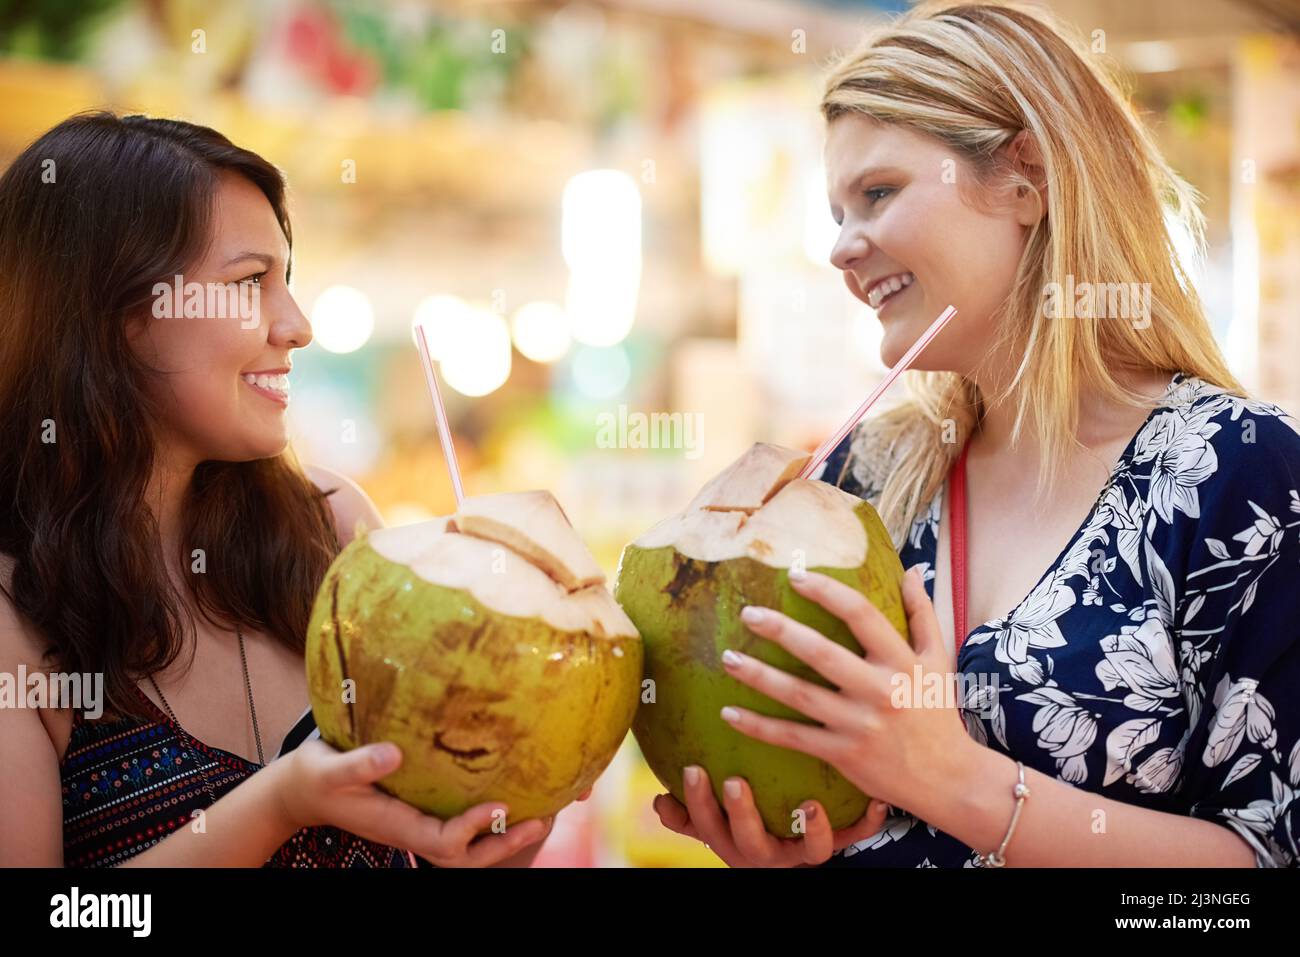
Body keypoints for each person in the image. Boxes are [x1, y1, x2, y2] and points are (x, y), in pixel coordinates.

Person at [652, 1, 1300, 868]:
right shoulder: (862, 480)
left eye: (877, 193)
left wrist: (956, 780)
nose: (843, 247)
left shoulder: (1240, 473)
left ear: (1026, 179)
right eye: (837, 212)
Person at [0, 112, 564, 867]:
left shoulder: (333, 531)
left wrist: (509, 817)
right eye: (249, 283)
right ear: (116, 317)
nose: (296, 325)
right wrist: (278, 805)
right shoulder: (15, 617)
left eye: (287, 281)